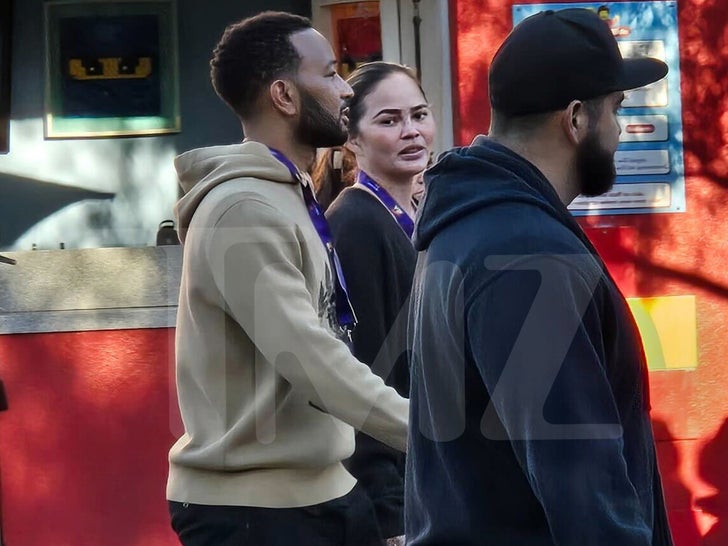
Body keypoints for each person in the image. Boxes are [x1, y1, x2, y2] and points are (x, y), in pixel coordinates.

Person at [405, 8, 673, 545]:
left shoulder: (469, 226)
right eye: (615, 109)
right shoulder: (525, 252)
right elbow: (580, 482)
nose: (619, 129)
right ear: (576, 118)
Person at [166, 12, 408, 546]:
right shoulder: (242, 208)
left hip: (324, 495)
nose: (347, 88)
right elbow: (313, 360)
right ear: (284, 94)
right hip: (257, 512)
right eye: (329, 73)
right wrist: (436, 435)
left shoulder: (289, 195)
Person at [314, 62, 436, 545]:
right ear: (351, 136)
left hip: (432, 478)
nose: (411, 132)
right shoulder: (356, 224)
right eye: (388, 121)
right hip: (394, 497)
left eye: (419, 115)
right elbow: (363, 375)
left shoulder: (424, 214)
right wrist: (392, 517)